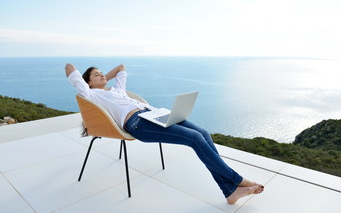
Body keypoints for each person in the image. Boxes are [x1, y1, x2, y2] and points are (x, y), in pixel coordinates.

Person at [65, 63, 264, 204]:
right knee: (194, 139)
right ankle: (235, 180)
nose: (101, 75)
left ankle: (229, 191)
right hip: (137, 123)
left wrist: (103, 79)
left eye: (101, 72)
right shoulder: (91, 94)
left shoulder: (117, 90)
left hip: (154, 114)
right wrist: (93, 84)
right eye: (96, 74)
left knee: (203, 133)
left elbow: (121, 67)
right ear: (87, 83)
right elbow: (69, 66)